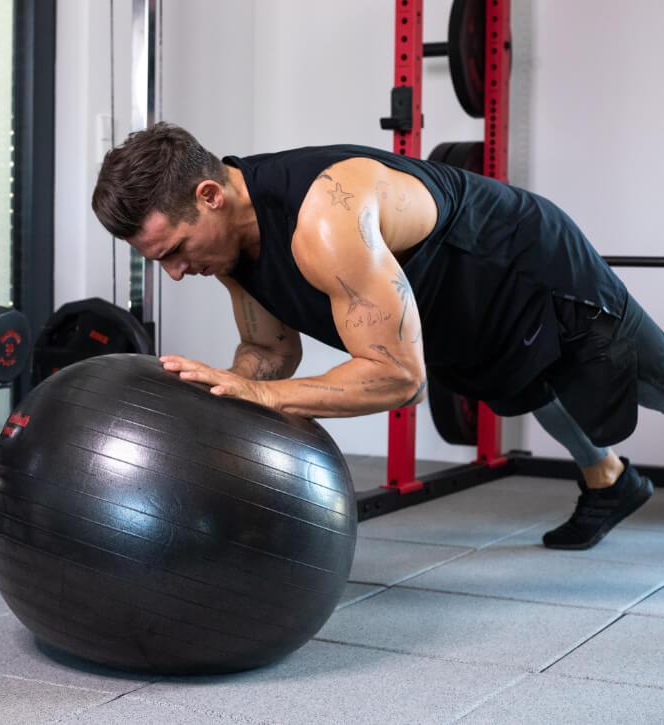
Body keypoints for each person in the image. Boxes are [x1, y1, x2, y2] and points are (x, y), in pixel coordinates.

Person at [92, 122, 663, 551]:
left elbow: (399, 377)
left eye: (175, 251)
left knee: (643, 377)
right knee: (530, 382)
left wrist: (263, 395)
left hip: (528, 267)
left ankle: (609, 474)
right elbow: (270, 349)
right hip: (459, 314)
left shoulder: (324, 220)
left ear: (209, 196)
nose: (175, 273)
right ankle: (609, 481)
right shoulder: (229, 246)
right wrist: (222, 392)